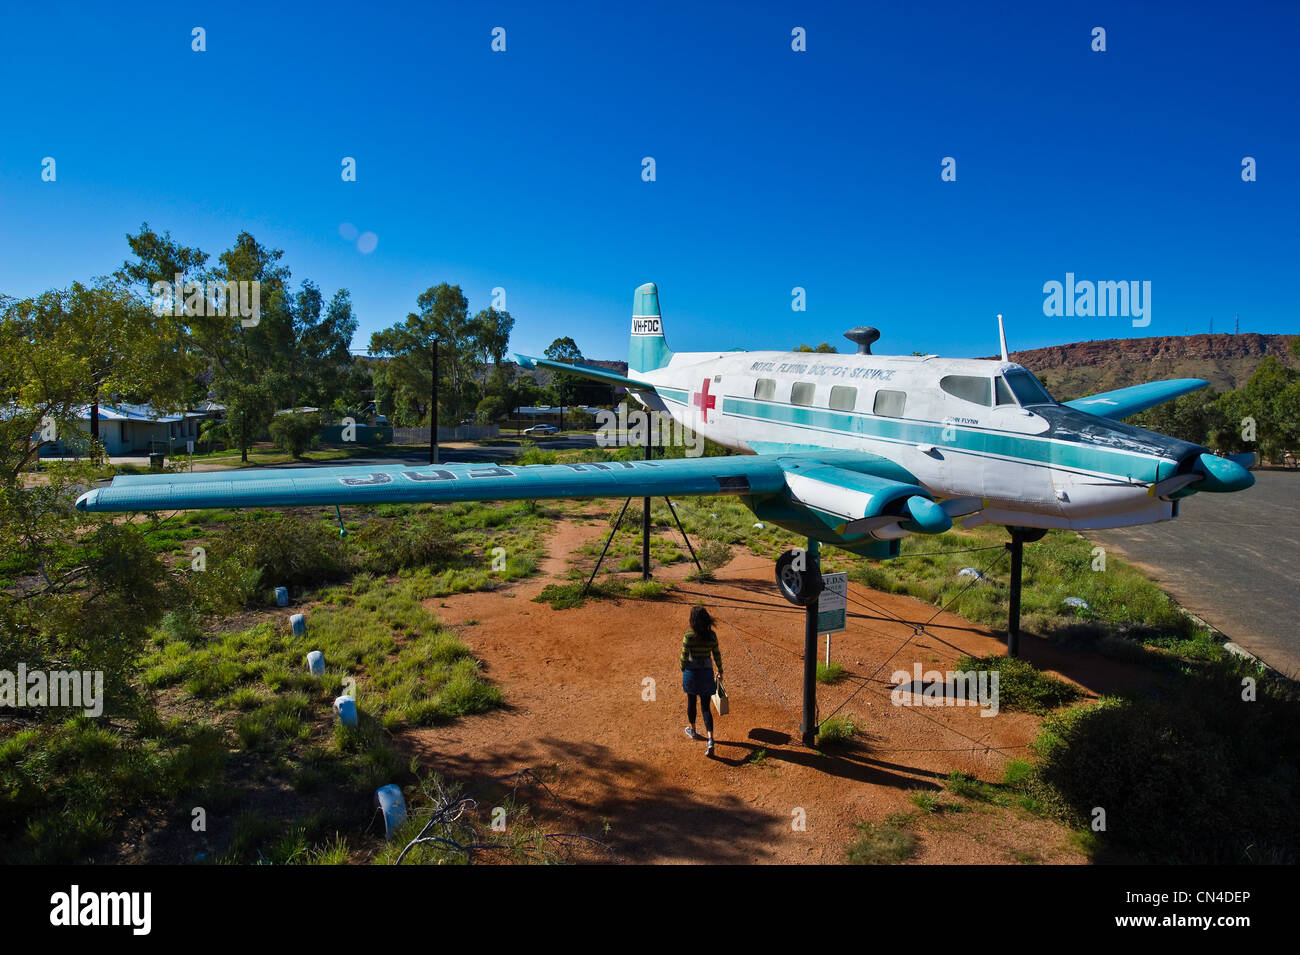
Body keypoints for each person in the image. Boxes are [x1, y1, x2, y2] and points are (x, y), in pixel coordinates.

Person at [680, 605, 723, 756]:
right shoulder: (712, 636)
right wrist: (720, 671)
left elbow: (684, 657)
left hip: (691, 673)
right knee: (706, 708)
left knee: (691, 703)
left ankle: (693, 730)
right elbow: (716, 654)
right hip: (706, 673)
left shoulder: (689, 636)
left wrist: (682, 668)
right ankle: (711, 739)